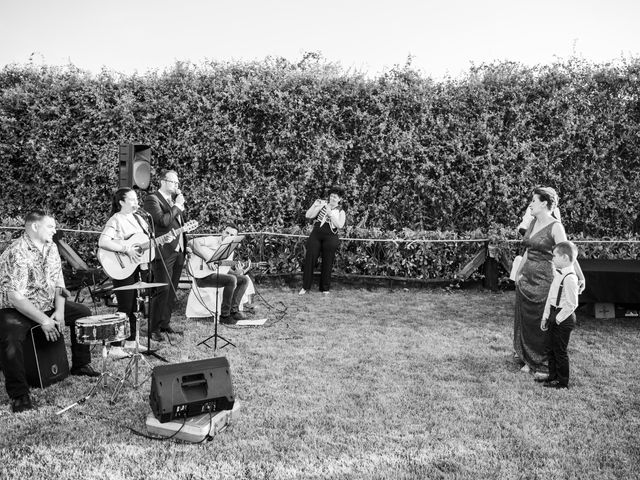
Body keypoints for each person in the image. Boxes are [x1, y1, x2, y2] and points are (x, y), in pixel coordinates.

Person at [0, 211, 100, 413]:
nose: (55, 230)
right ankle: (19, 394)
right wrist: (44, 320)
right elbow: (15, 297)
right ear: (35, 227)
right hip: (18, 309)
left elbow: (59, 282)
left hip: (46, 303)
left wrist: (61, 311)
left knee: (83, 312)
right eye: (51, 226)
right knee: (10, 338)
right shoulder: (16, 252)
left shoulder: (52, 246)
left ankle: (81, 364)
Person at [513, 187, 584, 377]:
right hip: (526, 278)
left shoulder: (555, 227)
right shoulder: (533, 222)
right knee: (527, 320)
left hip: (546, 280)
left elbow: (568, 254)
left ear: (544, 203)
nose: (530, 204)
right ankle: (528, 359)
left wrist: (580, 275)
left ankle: (542, 363)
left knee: (541, 320)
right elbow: (528, 250)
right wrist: (518, 273)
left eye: (533, 201)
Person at [98, 188, 151, 357]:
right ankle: (115, 346)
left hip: (136, 267)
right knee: (125, 306)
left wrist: (166, 239)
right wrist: (126, 249)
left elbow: (143, 242)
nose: (136, 203)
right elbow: (103, 241)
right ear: (121, 202)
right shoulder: (116, 219)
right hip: (121, 267)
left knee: (136, 303)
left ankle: (131, 342)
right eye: (132, 200)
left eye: (137, 199)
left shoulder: (140, 219)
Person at [143, 170, 188, 342]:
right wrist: (177, 206)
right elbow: (162, 222)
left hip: (178, 250)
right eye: (174, 182)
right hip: (163, 251)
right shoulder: (152, 199)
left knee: (172, 290)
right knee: (162, 289)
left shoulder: (174, 201)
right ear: (163, 181)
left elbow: (180, 225)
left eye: (178, 183)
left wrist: (186, 245)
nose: (177, 186)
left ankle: (164, 324)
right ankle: (153, 329)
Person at [538, 241, 580, 389]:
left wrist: (557, 319)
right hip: (554, 313)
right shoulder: (558, 274)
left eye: (555, 255)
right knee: (550, 348)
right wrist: (546, 316)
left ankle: (562, 382)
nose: (553, 258)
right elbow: (551, 297)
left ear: (564, 258)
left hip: (564, 317)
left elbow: (572, 304)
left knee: (560, 351)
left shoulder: (570, 278)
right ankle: (552, 376)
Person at [189, 225, 251, 324]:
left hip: (215, 275)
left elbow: (224, 270)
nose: (228, 236)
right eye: (227, 233)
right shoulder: (212, 240)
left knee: (244, 279)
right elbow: (192, 242)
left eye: (232, 235)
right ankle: (224, 316)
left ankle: (233, 311)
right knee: (231, 280)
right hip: (202, 277)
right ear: (222, 232)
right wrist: (208, 259)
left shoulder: (230, 248)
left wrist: (238, 272)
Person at [299, 186, 346, 295]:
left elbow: (339, 225)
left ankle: (325, 288)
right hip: (316, 235)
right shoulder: (323, 205)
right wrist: (315, 205)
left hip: (331, 237)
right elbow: (308, 215)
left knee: (328, 262)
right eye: (332, 196)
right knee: (310, 259)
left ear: (339, 199)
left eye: (335, 197)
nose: (333, 198)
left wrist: (330, 214)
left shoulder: (341, 211)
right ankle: (305, 287)